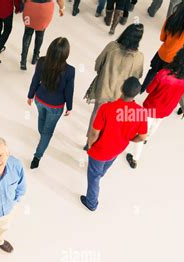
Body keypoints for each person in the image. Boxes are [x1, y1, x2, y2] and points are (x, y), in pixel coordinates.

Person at [127, 44, 184, 168]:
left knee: (142, 130)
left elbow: (149, 90)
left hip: (152, 107)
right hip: (168, 107)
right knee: (157, 123)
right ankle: (147, 138)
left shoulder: (164, 74)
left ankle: (135, 158)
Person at [81, 77, 148, 211]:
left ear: (121, 89)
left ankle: (91, 203)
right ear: (136, 94)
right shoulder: (141, 113)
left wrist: (90, 146)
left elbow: (94, 133)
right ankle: (101, 174)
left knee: (93, 177)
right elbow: (142, 137)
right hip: (117, 149)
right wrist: (130, 139)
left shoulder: (106, 108)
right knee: (103, 168)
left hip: (99, 150)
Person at [84, 23, 144, 150]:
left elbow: (97, 65)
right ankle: (102, 142)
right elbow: (137, 77)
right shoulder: (139, 57)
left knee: (96, 115)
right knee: (111, 121)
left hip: (103, 89)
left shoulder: (112, 47)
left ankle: (89, 142)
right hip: (121, 96)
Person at [27, 38, 75, 169]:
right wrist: (69, 107)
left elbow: (35, 79)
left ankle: (42, 136)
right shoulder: (70, 71)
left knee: (41, 120)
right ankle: (37, 157)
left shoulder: (42, 61)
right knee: (47, 132)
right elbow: (69, 91)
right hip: (55, 106)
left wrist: (30, 95)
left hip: (40, 99)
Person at [141, 0, 184, 92]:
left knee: (153, 71)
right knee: (164, 80)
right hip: (176, 60)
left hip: (162, 53)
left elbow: (162, 38)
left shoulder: (173, 16)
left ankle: (142, 89)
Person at [20, 0, 65, 70]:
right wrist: (62, 8)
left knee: (27, 34)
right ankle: (35, 57)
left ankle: (23, 60)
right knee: (40, 34)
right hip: (45, 11)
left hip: (30, 9)